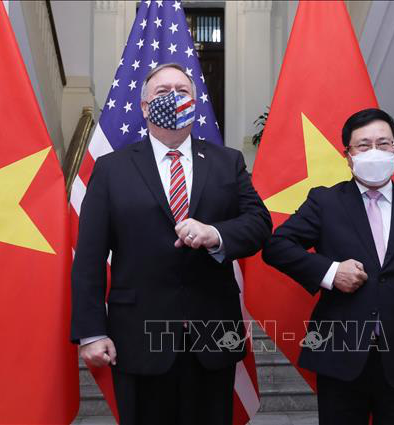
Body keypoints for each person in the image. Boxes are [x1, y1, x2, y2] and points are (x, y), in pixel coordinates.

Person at [71, 63, 272, 424]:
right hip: (138, 337)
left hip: (212, 336)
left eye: (182, 91)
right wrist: (91, 331)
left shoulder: (227, 163)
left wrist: (216, 235)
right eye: (163, 92)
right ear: (145, 106)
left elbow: (259, 224)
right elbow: (88, 258)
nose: (174, 98)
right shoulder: (111, 169)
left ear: (196, 104)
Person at [262, 108, 394, 424]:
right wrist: (330, 272)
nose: (375, 152)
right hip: (340, 354)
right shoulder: (325, 203)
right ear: (348, 156)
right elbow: (276, 246)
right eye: (364, 146)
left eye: (384, 143)